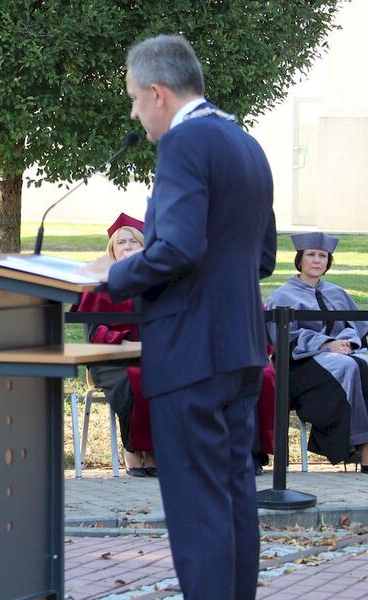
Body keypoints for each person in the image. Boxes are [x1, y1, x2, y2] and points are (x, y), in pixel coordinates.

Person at [89, 35, 276, 599]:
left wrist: (109, 279)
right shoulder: (245, 142)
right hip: (242, 348)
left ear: (158, 93)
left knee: (197, 507)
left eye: (134, 99)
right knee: (232, 495)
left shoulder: (183, 144)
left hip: (191, 353)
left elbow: (176, 249)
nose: (133, 112)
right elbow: (263, 257)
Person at [266, 232, 368, 469]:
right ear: (299, 259)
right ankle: (352, 443)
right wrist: (325, 344)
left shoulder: (337, 293)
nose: (316, 260)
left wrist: (348, 343)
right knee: (346, 366)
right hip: (301, 368)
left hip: (343, 355)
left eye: (322, 256)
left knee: (359, 362)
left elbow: (358, 328)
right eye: (310, 254)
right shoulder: (283, 295)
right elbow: (283, 339)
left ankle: (365, 449)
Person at [72, 214, 155, 477]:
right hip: (110, 361)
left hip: (153, 358)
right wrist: (125, 342)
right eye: (121, 243)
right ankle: (132, 450)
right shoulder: (100, 284)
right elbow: (95, 332)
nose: (128, 247)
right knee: (134, 382)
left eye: (134, 241)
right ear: (112, 250)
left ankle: (154, 450)